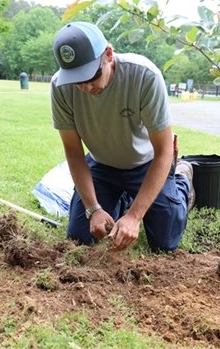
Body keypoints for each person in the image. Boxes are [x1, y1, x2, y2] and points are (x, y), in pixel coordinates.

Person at [50, 21, 194, 253]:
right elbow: (74, 153)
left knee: (165, 243)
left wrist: (135, 216)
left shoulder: (145, 76)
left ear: (108, 54)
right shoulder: (59, 86)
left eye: (91, 76)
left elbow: (164, 150)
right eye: (77, 80)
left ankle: (183, 179)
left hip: (147, 163)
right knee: (81, 236)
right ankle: (122, 198)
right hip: (101, 164)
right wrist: (93, 209)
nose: (86, 87)